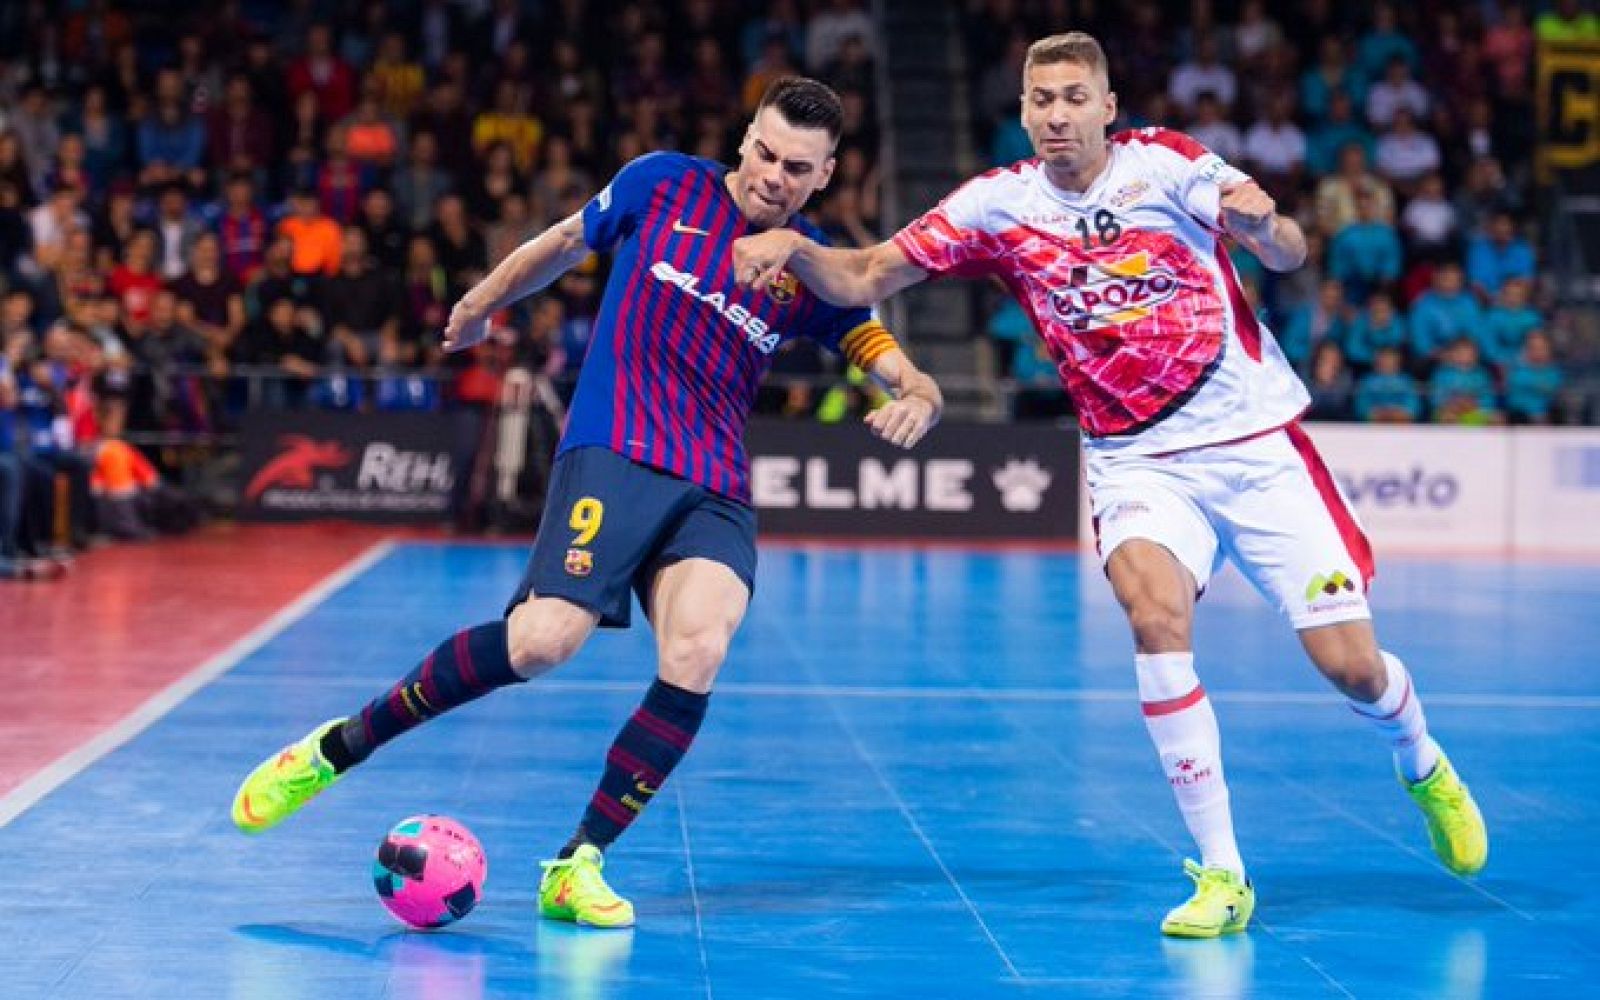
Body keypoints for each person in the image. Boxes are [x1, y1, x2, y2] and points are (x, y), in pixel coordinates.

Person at [732, 33, 1486, 939]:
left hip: (1251, 445)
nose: (1057, 114)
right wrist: (793, 244)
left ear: (1107, 107)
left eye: (1074, 97)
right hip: (1134, 459)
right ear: (1023, 113)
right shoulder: (997, 206)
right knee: (1154, 620)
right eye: (1041, 99)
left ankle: (1421, 760)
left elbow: (1287, 253)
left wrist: (1262, 226)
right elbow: (865, 274)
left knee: (1352, 667)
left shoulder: (1166, 165)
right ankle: (1223, 873)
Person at [230, 78, 943, 929]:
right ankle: (335, 747)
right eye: (765, 153)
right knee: (542, 642)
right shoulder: (663, 184)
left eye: (798, 168)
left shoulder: (810, 264)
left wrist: (918, 391)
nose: (773, 176)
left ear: (824, 174)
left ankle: (577, 864)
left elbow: (875, 343)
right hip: (616, 447)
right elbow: (565, 242)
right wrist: (483, 301)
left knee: (699, 648)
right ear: (745, 137)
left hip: (712, 481)